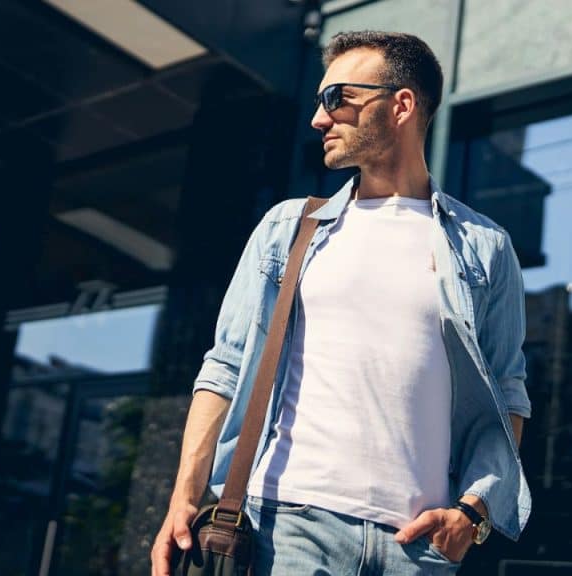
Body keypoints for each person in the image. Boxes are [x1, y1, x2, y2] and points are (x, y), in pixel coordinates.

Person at [151, 30, 532, 575]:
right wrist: (185, 494)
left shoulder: (484, 246)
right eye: (317, 101)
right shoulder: (288, 229)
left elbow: (506, 395)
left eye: (338, 99)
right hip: (289, 527)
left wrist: (471, 516)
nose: (319, 119)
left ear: (401, 105)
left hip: (419, 549)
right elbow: (227, 367)